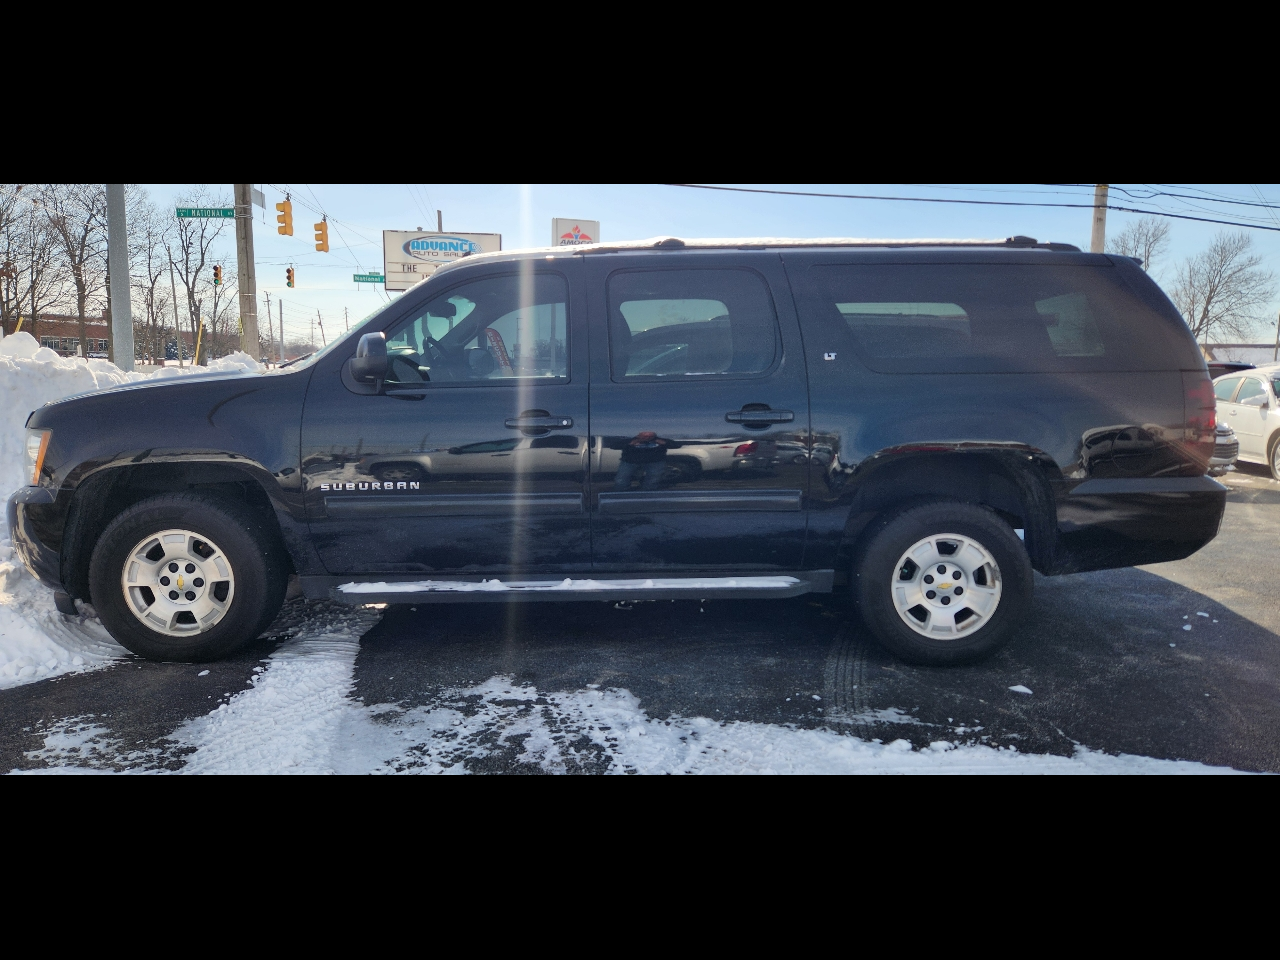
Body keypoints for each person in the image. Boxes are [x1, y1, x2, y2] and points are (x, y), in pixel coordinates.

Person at [613, 431, 677, 490]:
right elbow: (614, 446)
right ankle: (621, 490)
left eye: (650, 436)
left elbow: (676, 445)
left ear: (655, 436)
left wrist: (664, 443)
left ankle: (649, 490)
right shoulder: (630, 440)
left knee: (654, 477)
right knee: (622, 477)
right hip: (630, 461)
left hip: (655, 461)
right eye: (644, 436)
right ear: (638, 435)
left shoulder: (660, 440)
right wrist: (630, 443)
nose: (647, 438)